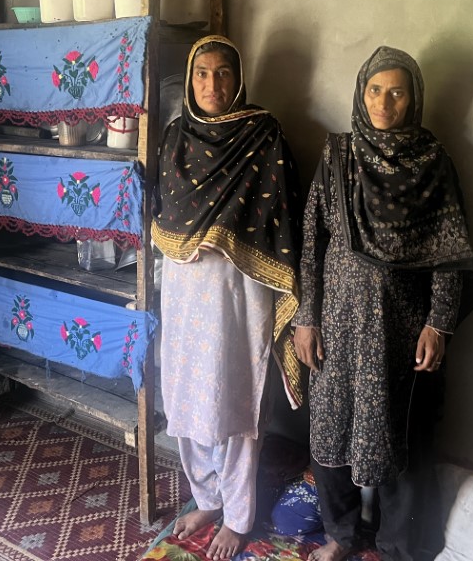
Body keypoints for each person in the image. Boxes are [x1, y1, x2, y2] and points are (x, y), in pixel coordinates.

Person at [293, 46, 473, 561]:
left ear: (413, 99)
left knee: (400, 436)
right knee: (330, 429)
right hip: (336, 321)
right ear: (361, 93)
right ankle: (341, 534)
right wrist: (306, 318)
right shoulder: (338, 156)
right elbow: (312, 240)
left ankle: (401, 546)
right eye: (375, 90)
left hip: (402, 328)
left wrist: (439, 324)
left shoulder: (433, 164)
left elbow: (450, 253)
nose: (384, 102)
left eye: (397, 92)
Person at [153, 35, 303, 560]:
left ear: (238, 80)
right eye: (202, 73)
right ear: (190, 80)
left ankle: (238, 517)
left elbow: (280, 214)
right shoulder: (175, 135)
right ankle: (207, 498)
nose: (212, 84)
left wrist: (219, 236)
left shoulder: (263, 135)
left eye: (223, 73)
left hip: (238, 288)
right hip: (184, 284)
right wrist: (189, 239)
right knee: (185, 396)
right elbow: (164, 208)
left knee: (232, 397)